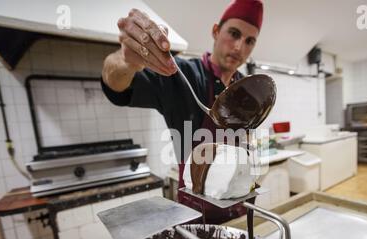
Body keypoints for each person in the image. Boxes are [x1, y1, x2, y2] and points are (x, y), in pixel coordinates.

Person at [101, 0, 263, 224]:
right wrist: (127, 61)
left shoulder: (246, 88)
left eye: (249, 41)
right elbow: (116, 88)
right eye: (234, 34)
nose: (239, 47)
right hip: (197, 212)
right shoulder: (180, 74)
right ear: (216, 31)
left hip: (241, 208)